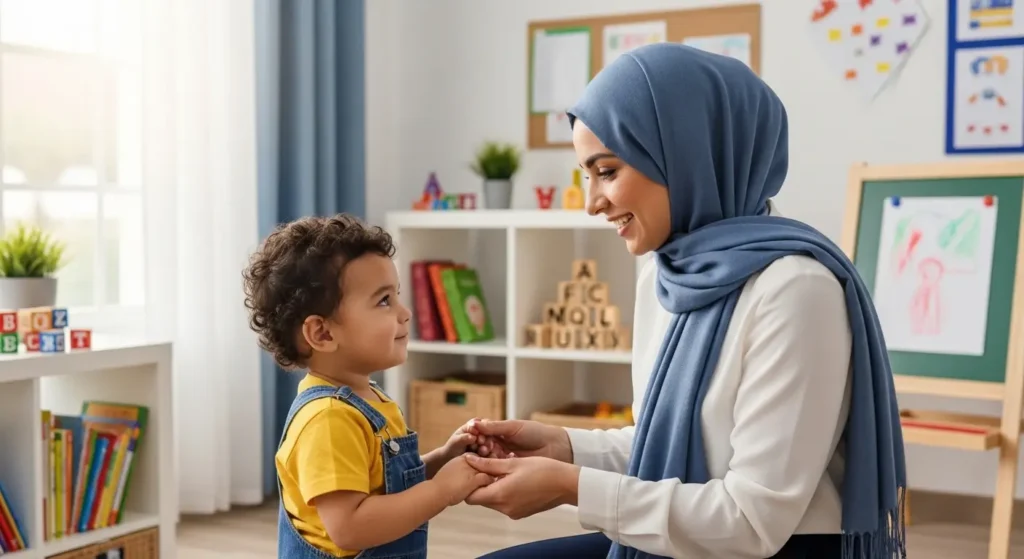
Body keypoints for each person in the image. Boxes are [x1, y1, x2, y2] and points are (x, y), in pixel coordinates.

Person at [462, 43, 907, 559]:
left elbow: (750, 522)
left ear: (685, 154)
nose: (591, 203)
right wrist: (564, 446)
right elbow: (673, 444)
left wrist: (571, 486)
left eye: (607, 171)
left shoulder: (797, 292)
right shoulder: (666, 271)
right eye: (587, 175)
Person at [242, 214, 498, 559]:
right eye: (383, 301)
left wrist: (442, 459)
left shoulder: (368, 399)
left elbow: (379, 486)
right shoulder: (328, 419)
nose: (405, 313)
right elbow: (350, 527)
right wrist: (442, 491)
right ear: (323, 334)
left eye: (397, 296)